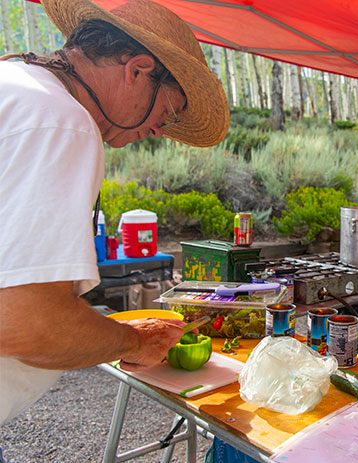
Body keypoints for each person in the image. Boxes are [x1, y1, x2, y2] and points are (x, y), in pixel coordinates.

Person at [0, 0, 229, 429]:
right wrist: (133, 341)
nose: (161, 128)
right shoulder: (60, 121)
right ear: (138, 69)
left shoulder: (16, 87)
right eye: (169, 110)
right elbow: (24, 322)